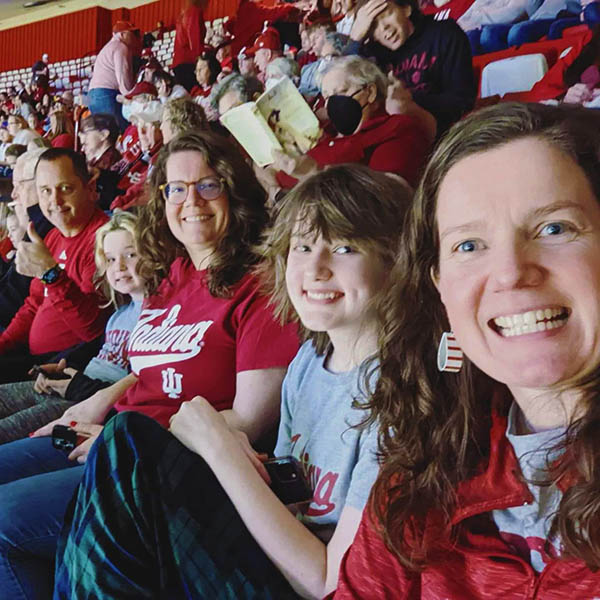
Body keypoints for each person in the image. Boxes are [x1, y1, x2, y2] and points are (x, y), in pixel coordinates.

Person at [53, 163, 412, 599]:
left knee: (129, 443)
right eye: (301, 247)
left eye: (344, 248)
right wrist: (242, 459)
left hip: (298, 582)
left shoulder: (401, 396)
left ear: (394, 261)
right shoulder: (311, 361)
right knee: (125, 453)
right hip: (267, 550)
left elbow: (327, 583)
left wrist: (221, 450)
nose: (315, 268)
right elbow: (290, 495)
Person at [0, 131, 299, 600]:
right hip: (111, 435)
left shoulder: (257, 288)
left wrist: (129, 447)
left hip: (167, 470)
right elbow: (147, 368)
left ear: (234, 191)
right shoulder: (174, 273)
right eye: (175, 189)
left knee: (5, 524)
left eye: (208, 185)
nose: (191, 201)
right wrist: (97, 402)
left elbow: (247, 421)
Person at [332, 102, 600, 598]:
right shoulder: (423, 471)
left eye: (554, 228)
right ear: (439, 286)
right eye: (469, 245)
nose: (511, 272)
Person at [0, 211, 145, 444]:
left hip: (84, 404)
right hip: (71, 385)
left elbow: (141, 388)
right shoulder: (121, 313)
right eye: (110, 259)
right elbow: (98, 352)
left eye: (130, 254)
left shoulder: (158, 316)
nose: (119, 266)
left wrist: (78, 385)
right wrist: (63, 366)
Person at [0, 148, 109, 384]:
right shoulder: (52, 236)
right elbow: (34, 304)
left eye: (65, 189)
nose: (55, 202)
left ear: (90, 189)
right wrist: (3, 344)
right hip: (30, 356)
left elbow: (94, 332)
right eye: (46, 191)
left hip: (64, 368)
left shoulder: (103, 241)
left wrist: (51, 273)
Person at [272, 55, 432, 190]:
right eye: (326, 97)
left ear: (370, 92)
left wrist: (315, 174)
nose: (331, 103)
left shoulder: (395, 128)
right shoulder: (322, 136)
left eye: (340, 92)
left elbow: (389, 198)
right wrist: (273, 190)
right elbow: (272, 173)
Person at [346, 0, 475, 135]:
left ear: (406, 9)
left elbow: (463, 103)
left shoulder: (444, 33)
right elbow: (342, 92)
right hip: (395, 139)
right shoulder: (373, 54)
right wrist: (354, 40)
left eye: (387, 14)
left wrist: (410, 103)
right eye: (373, 26)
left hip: (445, 134)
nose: (384, 28)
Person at [88, 21, 140, 131]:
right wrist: (131, 98)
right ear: (122, 34)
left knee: (104, 132)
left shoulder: (108, 47)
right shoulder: (121, 47)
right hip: (107, 94)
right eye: (131, 33)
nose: (134, 36)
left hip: (93, 95)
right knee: (121, 130)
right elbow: (123, 77)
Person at [172, 0, 208, 91]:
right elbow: (194, 38)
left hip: (180, 63)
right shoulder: (195, 11)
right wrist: (199, 60)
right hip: (189, 62)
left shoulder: (184, 13)